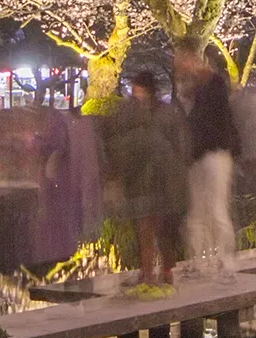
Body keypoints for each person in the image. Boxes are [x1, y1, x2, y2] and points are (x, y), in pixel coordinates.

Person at [101, 69, 185, 285]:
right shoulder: (139, 112)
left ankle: (161, 270)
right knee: (146, 228)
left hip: (157, 177)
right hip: (143, 178)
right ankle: (149, 271)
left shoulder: (149, 113)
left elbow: (178, 145)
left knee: (158, 228)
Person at [177, 47, 240, 277]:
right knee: (196, 212)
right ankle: (198, 260)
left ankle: (225, 260)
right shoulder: (188, 91)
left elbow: (212, 118)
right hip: (197, 155)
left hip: (214, 153)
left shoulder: (213, 85)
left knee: (215, 208)